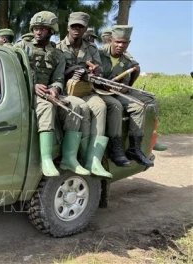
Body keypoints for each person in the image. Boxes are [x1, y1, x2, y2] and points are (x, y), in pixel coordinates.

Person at [22, 11, 90, 177]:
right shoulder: (21, 48)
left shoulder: (57, 54)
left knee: (74, 106)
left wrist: (55, 89)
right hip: (25, 92)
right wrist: (32, 86)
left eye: (43, 29)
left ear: (51, 31)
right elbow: (14, 73)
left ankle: (69, 157)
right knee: (46, 107)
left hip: (47, 92)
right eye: (36, 28)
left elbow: (59, 78)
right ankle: (46, 159)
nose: (38, 32)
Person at [56, 11, 112, 178]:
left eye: (80, 27)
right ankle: (79, 155)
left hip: (86, 90)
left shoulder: (92, 49)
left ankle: (93, 161)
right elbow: (56, 73)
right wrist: (73, 70)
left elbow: (99, 72)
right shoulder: (58, 48)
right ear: (68, 28)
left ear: (85, 29)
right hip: (66, 91)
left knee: (100, 106)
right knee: (83, 109)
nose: (76, 30)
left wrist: (96, 71)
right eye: (74, 26)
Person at [98, 25, 158, 167]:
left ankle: (134, 149)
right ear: (111, 40)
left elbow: (126, 84)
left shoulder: (126, 61)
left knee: (138, 106)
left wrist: (120, 87)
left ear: (128, 43)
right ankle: (116, 150)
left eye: (124, 43)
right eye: (117, 42)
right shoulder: (98, 54)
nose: (120, 45)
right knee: (116, 106)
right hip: (97, 92)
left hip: (116, 93)